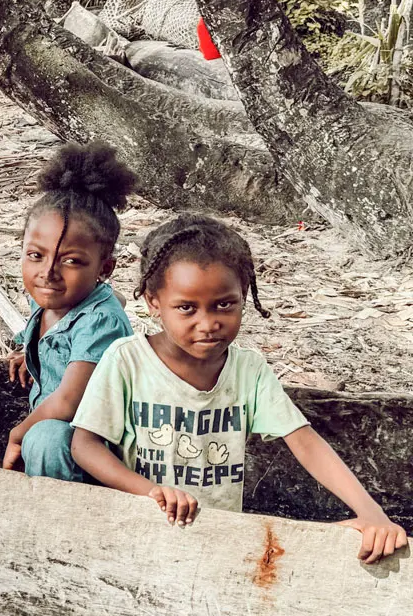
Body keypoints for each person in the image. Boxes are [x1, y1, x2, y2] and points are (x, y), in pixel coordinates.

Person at [71, 215, 408, 564]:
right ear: (154, 302)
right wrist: (153, 493)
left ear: (243, 296)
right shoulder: (128, 360)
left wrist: (372, 513)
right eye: (186, 308)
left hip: (221, 536)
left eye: (224, 304)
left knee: (349, 542)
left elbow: (305, 443)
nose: (208, 323)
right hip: (142, 531)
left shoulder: (248, 370)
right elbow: (85, 445)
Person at [2, 142, 136, 480]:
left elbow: (66, 404)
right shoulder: (55, 295)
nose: (48, 272)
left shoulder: (100, 322)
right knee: (43, 435)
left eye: (72, 261)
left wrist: (17, 435)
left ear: (105, 268)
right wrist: (35, 352)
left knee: (45, 438)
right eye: (36, 255)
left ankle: (56, 520)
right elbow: (113, 298)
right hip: (57, 431)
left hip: (90, 448)